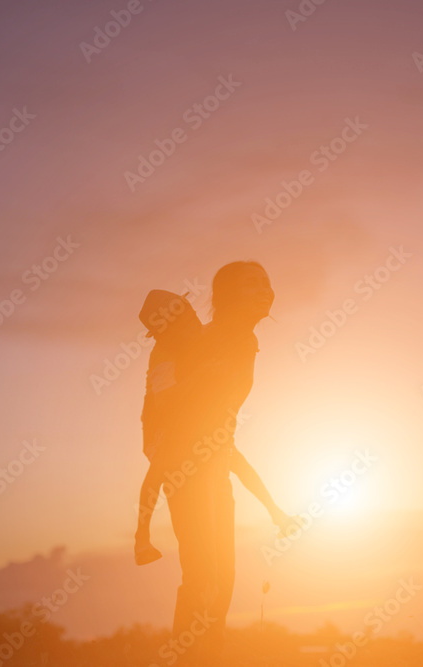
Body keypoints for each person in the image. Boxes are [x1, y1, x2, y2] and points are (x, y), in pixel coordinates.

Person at [139, 261, 282, 664]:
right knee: (205, 579)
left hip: (217, 465)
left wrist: (270, 506)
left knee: (221, 582)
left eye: (266, 281)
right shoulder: (198, 340)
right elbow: (168, 403)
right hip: (186, 467)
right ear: (225, 296)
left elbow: (221, 423)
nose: (266, 290)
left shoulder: (243, 340)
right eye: (252, 283)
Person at [133, 288, 299, 564]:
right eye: (181, 320)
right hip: (162, 424)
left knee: (237, 461)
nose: (192, 320)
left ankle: (277, 515)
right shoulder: (162, 354)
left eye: (189, 313)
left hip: (202, 422)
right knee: (162, 464)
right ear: (164, 332)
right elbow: (165, 403)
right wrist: (203, 374)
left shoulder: (202, 334)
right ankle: (141, 539)